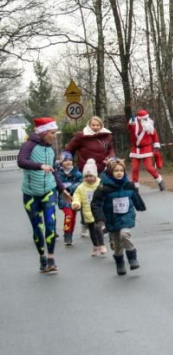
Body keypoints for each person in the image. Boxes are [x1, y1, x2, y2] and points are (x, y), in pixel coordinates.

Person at [17, 117, 72, 273]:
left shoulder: (51, 149)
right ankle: (42, 258)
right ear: (44, 132)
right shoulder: (29, 145)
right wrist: (40, 166)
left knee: (50, 224)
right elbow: (21, 161)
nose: (55, 136)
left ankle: (51, 259)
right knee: (38, 228)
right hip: (30, 194)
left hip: (48, 191)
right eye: (52, 133)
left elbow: (53, 171)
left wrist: (62, 189)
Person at [91, 159, 146, 276]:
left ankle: (132, 258)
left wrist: (140, 205)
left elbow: (135, 196)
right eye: (116, 171)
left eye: (121, 170)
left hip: (127, 215)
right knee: (117, 244)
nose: (119, 173)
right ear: (110, 172)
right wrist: (100, 218)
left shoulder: (129, 185)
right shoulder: (103, 188)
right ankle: (120, 263)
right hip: (112, 217)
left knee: (125, 234)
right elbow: (95, 203)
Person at [71, 159, 106, 256]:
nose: (89, 178)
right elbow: (76, 196)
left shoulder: (101, 184)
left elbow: (107, 193)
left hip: (98, 211)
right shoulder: (81, 187)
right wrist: (76, 203)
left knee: (97, 227)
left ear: (95, 175)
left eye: (91, 176)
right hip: (87, 212)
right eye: (86, 176)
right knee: (91, 230)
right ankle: (95, 246)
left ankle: (102, 245)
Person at [127, 109, 165, 191]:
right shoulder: (134, 123)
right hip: (135, 149)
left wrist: (156, 146)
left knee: (149, 167)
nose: (145, 120)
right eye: (143, 119)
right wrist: (131, 123)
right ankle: (135, 185)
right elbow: (129, 128)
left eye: (146, 118)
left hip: (146, 149)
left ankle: (159, 180)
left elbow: (154, 136)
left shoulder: (150, 125)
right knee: (135, 168)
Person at [55, 151, 82, 246]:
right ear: (61, 162)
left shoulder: (76, 172)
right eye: (65, 160)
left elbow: (81, 183)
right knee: (69, 215)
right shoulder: (58, 173)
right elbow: (55, 184)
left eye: (70, 160)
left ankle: (70, 234)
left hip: (75, 198)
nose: (68, 162)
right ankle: (66, 233)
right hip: (63, 199)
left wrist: (71, 188)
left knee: (73, 217)